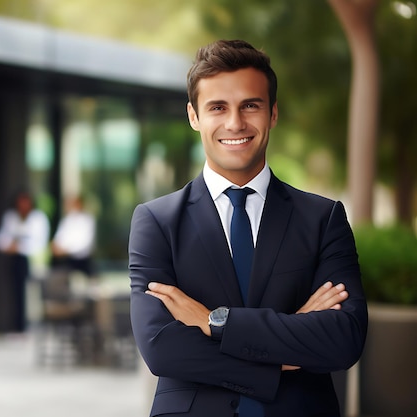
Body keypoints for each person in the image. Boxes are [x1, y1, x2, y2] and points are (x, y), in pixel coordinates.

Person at [128, 39, 368, 417]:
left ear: (273, 113)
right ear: (194, 116)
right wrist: (282, 353)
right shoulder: (156, 221)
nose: (235, 123)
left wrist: (214, 322)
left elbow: (343, 339)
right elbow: (162, 347)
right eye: (217, 107)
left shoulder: (323, 218)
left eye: (250, 105)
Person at [0, 189, 50, 332]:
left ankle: (30, 325)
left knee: (32, 295)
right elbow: (2, 238)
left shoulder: (38, 218)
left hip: (32, 260)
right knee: (16, 294)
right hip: (14, 260)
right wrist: (8, 246)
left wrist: (20, 246)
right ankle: (17, 327)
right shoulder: (11, 217)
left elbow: (40, 242)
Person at [51, 195, 97, 278]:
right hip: (66, 262)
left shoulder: (88, 221)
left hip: (83, 262)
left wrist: (65, 250)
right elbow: (59, 239)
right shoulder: (67, 220)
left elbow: (84, 244)